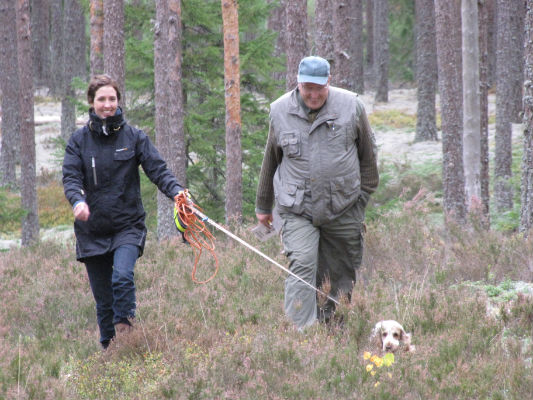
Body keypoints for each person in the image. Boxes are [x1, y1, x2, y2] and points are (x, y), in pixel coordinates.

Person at [62, 74, 187, 349]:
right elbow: (71, 177)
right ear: (92, 103)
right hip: (91, 230)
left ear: (118, 101)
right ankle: (109, 350)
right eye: (101, 99)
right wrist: (77, 202)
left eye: (112, 99)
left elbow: (158, 170)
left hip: (127, 226)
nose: (107, 105)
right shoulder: (78, 141)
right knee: (103, 300)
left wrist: (177, 192)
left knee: (121, 277)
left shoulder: (135, 137)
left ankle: (127, 337)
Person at [255, 56, 379, 329]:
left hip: (344, 206)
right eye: (306, 88)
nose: (313, 95)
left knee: (341, 271)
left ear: (329, 82)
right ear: (298, 84)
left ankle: (334, 327)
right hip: (297, 208)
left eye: (318, 88)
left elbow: (368, 158)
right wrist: (263, 207)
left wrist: (360, 201)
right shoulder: (279, 111)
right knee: (302, 264)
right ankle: (301, 337)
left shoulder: (352, 106)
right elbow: (270, 160)